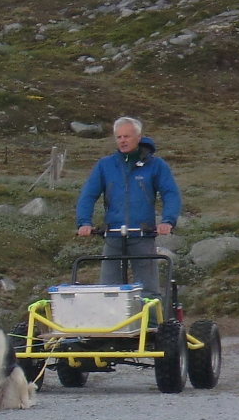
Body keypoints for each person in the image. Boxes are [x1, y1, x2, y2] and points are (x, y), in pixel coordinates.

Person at [75, 116, 180, 295]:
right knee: (109, 289)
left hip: (143, 234)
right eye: (119, 137)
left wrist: (167, 221)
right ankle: (113, 323)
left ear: (138, 137)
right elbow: (88, 195)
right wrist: (84, 223)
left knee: (148, 289)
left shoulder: (156, 165)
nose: (122, 140)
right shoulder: (105, 165)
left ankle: (151, 322)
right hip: (113, 234)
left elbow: (170, 193)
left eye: (127, 136)